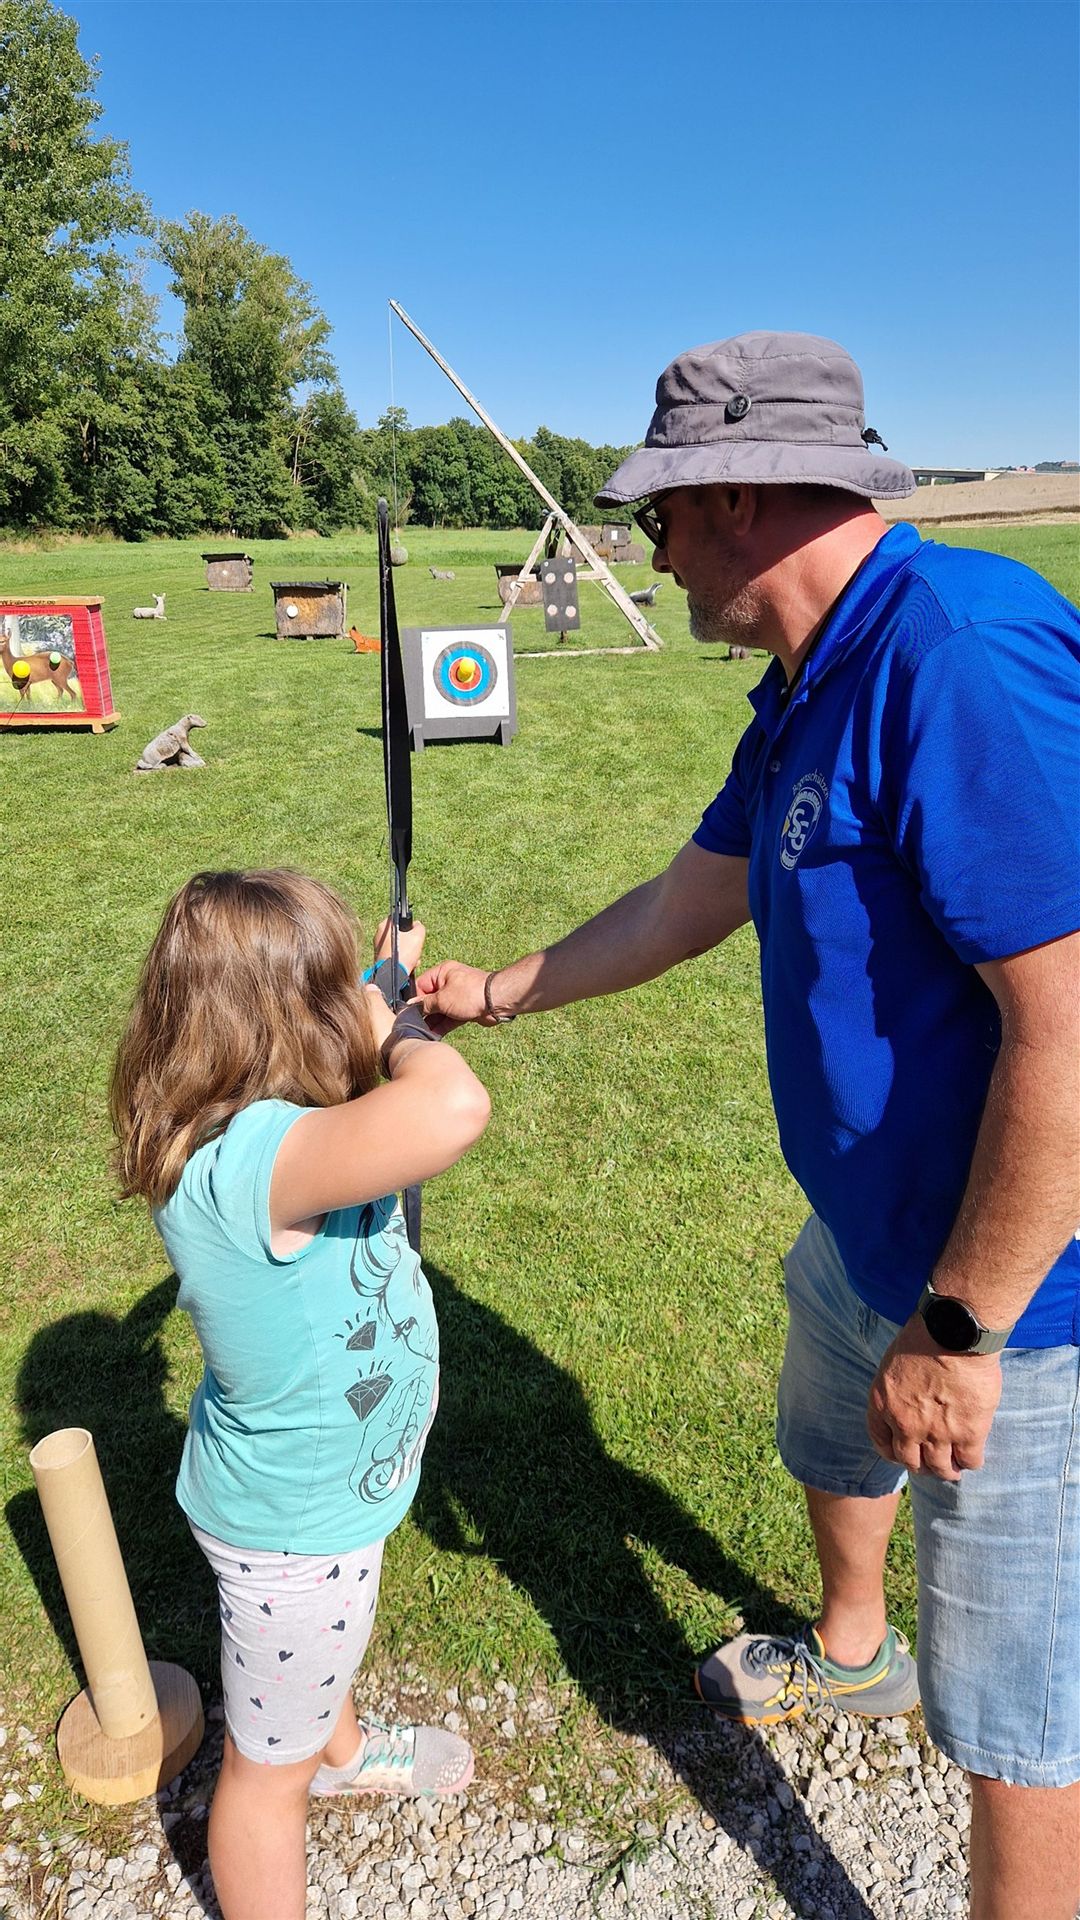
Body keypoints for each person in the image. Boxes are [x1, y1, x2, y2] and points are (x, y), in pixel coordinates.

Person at [417, 332, 1080, 1920]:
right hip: (870, 1236)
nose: (649, 550)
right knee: (828, 1439)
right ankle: (853, 1653)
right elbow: (688, 901)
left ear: (739, 497)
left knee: (1019, 1731)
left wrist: (964, 1328)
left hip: (1022, 1301)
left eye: (659, 515)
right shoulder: (805, 682)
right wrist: (496, 991)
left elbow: (1068, 1023)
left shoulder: (953, 655)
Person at [110, 869, 491, 1920]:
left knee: (321, 1663)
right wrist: (391, 1027)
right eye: (327, 992)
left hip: (301, 1502)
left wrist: (382, 976)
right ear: (288, 1020)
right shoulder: (265, 1161)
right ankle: (306, 1777)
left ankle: (343, 1750)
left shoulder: (234, 1134)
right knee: (260, 1777)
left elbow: (348, 1088)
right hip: (295, 1533)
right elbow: (454, 1105)